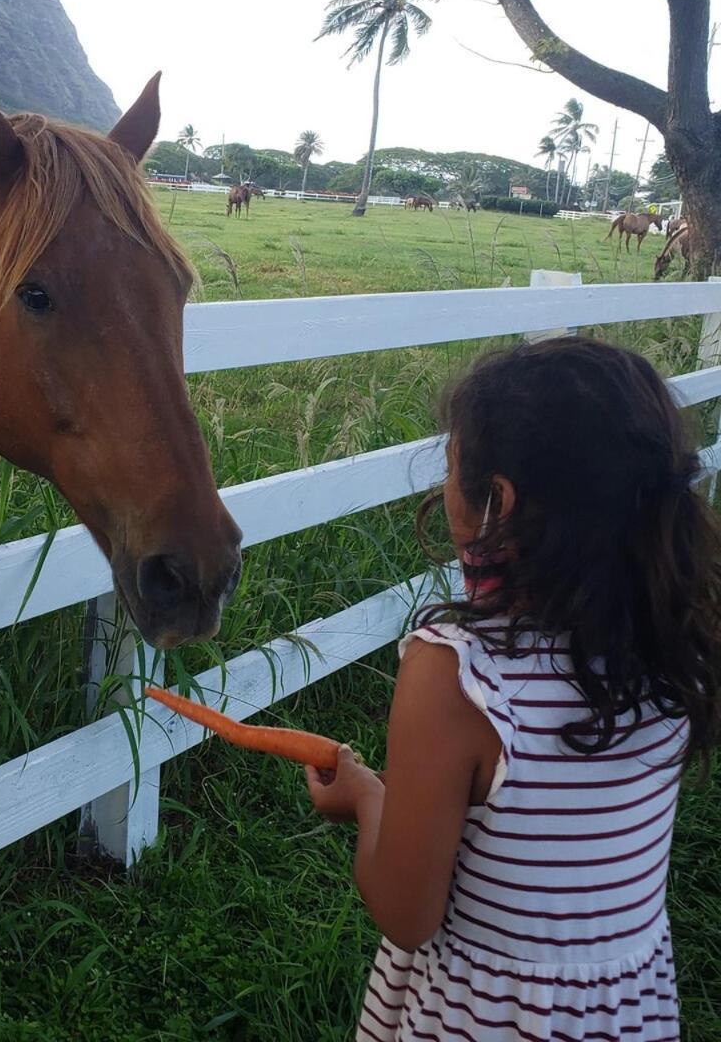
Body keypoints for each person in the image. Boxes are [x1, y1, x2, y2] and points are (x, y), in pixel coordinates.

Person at [306, 337, 721, 1041]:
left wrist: (366, 797)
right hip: (623, 1014)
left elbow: (409, 914)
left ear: (496, 501)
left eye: (449, 465)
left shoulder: (459, 677)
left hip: (478, 1015)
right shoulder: (679, 647)